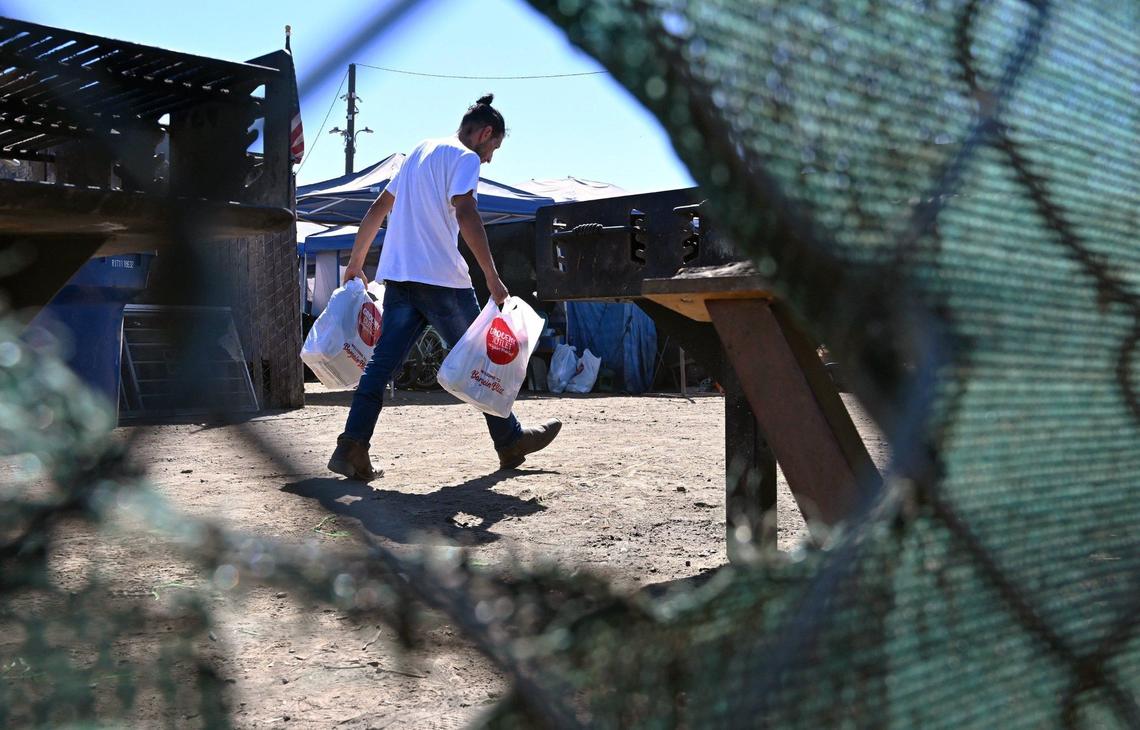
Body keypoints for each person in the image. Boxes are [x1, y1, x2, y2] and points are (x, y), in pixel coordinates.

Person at [328, 94, 561, 481]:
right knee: (483, 361)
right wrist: (491, 275)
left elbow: (378, 210)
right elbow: (465, 210)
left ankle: (351, 445)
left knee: (380, 366)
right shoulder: (465, 158)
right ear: (485, 133)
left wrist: (355, 261)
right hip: (442, 282)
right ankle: (511, 442)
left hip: (400, 278)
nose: (489, 159)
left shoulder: (420, 150)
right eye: (494, 148)